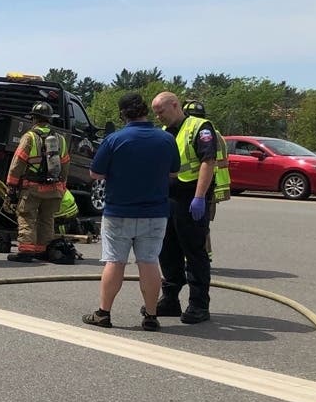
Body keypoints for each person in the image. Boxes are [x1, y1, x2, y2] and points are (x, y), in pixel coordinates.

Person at [82, 93, 180, 331]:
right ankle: (151, 316)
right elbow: (174, 174)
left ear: (123, 114)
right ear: (146, 110)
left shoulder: (115, 139)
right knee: (149, 262)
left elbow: (96, 173)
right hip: (155, 212)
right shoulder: (166, 139)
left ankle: (103, 313)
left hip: (119, 212)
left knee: (115, 261)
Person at [151, 91, 217, 324]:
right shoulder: (164, 132)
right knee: (167, 251)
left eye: (161, 112)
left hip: (191, 199)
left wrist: (199, 197)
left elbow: (208, 162)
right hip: (169, 199)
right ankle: (170, 300)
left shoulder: (200, 127)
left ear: (175, 105)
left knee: (194, 252)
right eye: (156, 113)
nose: (159, 117)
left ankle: (199, 305)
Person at [5, 102, 70, 262]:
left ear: (33, 119)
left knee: (27, 217)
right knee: (47, 219)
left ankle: (26, 251)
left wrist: (11, 186)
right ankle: (43, 250)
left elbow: (17, 164)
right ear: (49, 119)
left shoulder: (30, 137)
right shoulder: (60, 139)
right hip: (54, 188)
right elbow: (65, 165)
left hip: (32, 188)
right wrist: (62, 187)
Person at [183, 100, 229, 260]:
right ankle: (200, 254)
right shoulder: (214, 133)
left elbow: (221, 161)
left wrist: (205, 165)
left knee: (200, 225)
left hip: (206, 186)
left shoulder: (207, 133)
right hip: (207, 185)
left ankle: (202, 255)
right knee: (199, 224)